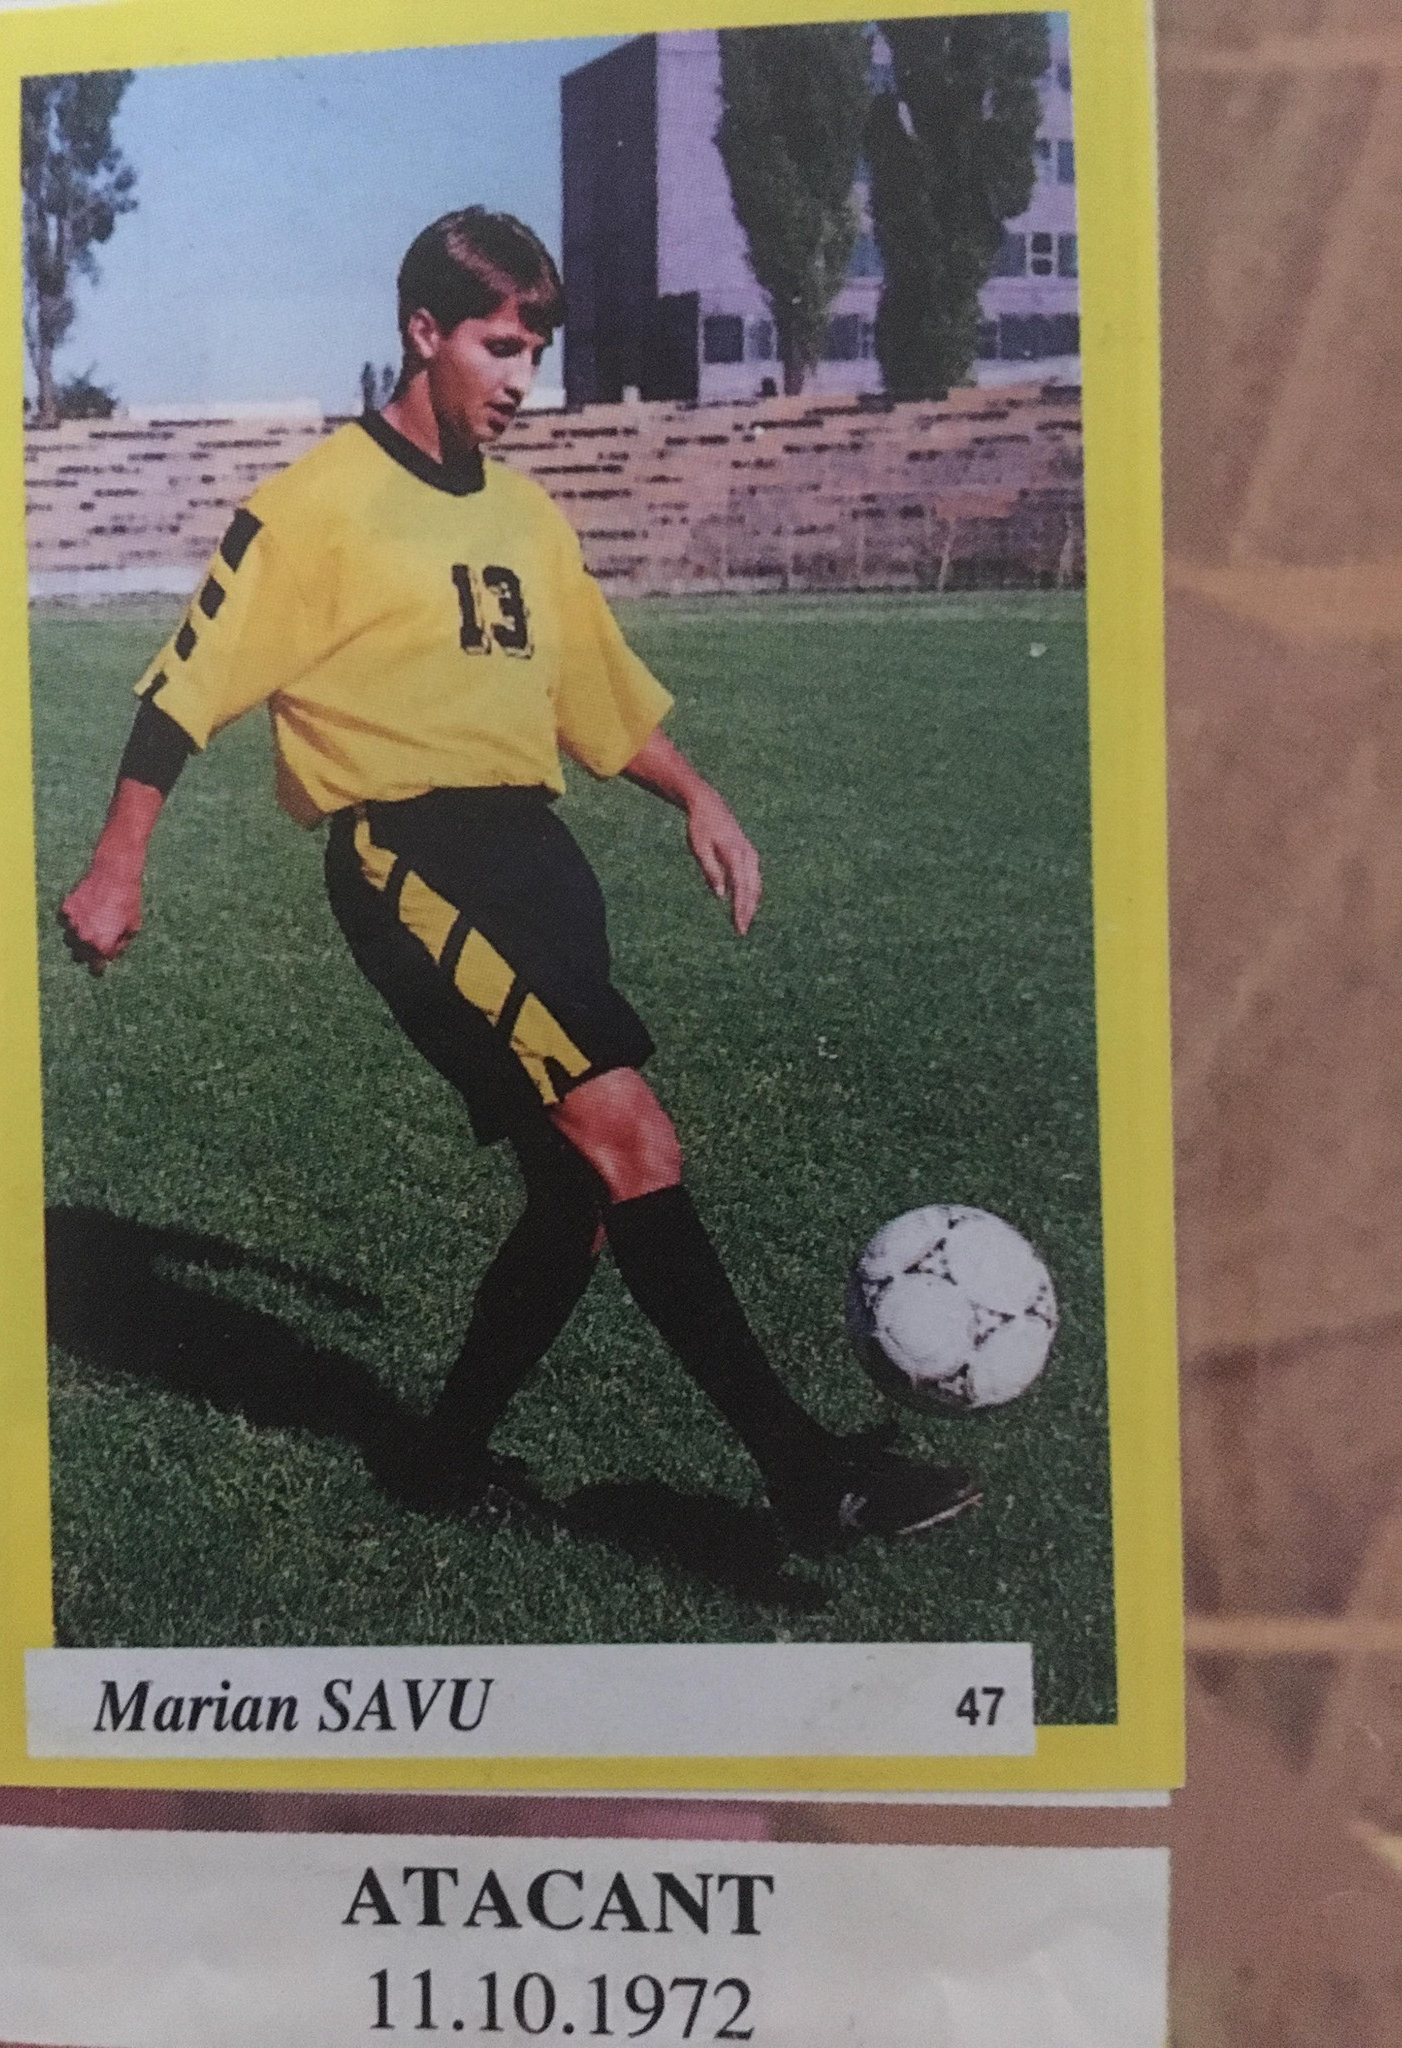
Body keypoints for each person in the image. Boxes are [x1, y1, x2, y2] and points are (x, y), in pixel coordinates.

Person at [59, 207, 980, 1554]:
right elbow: (183, 691)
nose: (520, 380)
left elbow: (595, 698)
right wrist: (117, 864)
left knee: (581, 1200)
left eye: (534, 353)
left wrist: (697, 795)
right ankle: (805, 1469)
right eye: (499, 348)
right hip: (410, 860)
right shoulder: (313, 508)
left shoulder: (526, 516)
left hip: (537, 862)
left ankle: (437, 1465)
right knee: (632, 1140)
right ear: (422, 332)